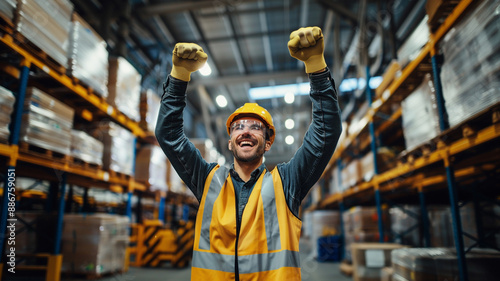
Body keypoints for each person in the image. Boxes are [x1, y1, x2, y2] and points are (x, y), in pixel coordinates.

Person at [156, 26, 342, 281]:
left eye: (256, 127)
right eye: (238, 127)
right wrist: (178, 77)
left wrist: (316, 67)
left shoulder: (287, 183)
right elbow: (169, 134)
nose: (245, 132)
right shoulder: (207, 180)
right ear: (230, 142)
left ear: (267, 143)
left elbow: (325, 132)